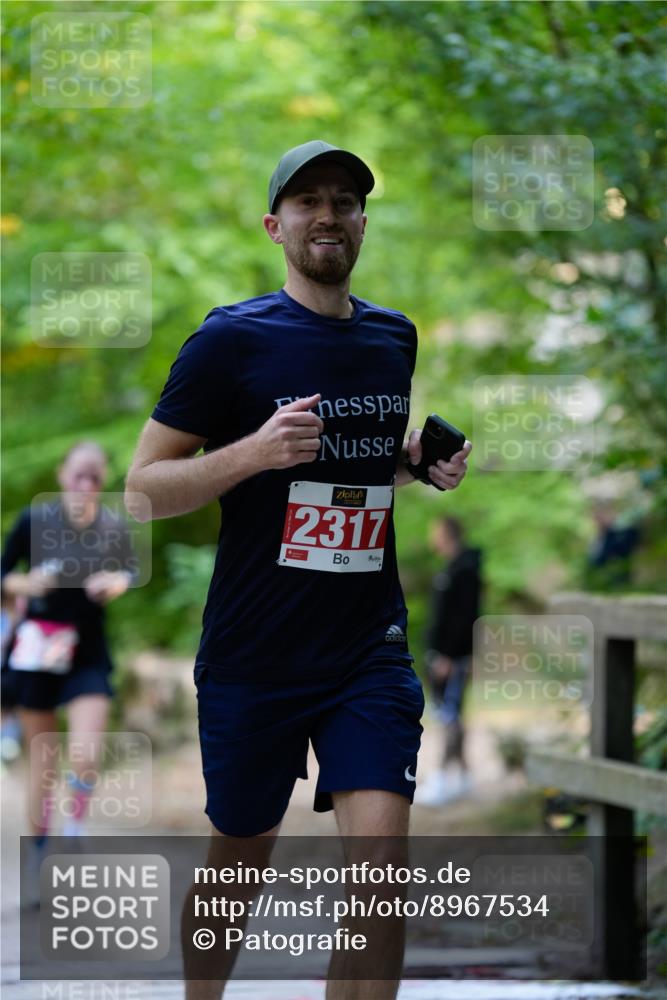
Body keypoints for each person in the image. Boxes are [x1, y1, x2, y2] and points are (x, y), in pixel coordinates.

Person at [126, 140, 471, 1000]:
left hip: (366, 646)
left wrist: (415, 462)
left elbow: (354, 464)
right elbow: (142, 492)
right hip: (256, 651)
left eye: (345, 201)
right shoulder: (229, 340)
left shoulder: (393, 336)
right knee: (240, 859)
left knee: (382, 873)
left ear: (361, 222)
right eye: (309, 201)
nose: (329, 215)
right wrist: (248, 452)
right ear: (275, 224)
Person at [1, 441, 134, 858]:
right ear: (62, 474)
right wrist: (26, 583)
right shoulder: (34, 520)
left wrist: (114, 582)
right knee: (42, 766)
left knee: (86, 753)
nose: (85, 484)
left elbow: (127, 570)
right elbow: (4, 574)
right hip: (38, 652)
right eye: (78, 474)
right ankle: (38, 851)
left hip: (87, 652)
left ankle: (74, 827)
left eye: (94, 477)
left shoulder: (111, 527)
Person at [415, 516, 482, 807]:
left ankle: (441, 779)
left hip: (452, 659)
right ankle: (465, 776)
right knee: (451, 716)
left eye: (436, 533)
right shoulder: (451, 568)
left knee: (449, 717)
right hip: (442, 655)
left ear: (449, 535)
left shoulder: (466, 571)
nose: (433, 539)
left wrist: (451, 656)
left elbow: (465, 617)